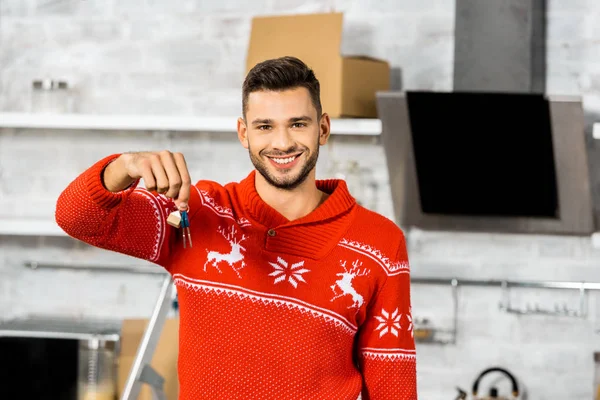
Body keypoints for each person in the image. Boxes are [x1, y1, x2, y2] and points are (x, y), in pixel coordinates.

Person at [56, 56, 417, 399]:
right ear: (244, 133)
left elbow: (393, 387)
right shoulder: (195, 213)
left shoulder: (381, 244)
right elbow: (76, 216)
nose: (282, 143)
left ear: (322, 128)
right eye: (265, 126)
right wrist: (125, 165)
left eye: (298, 123)